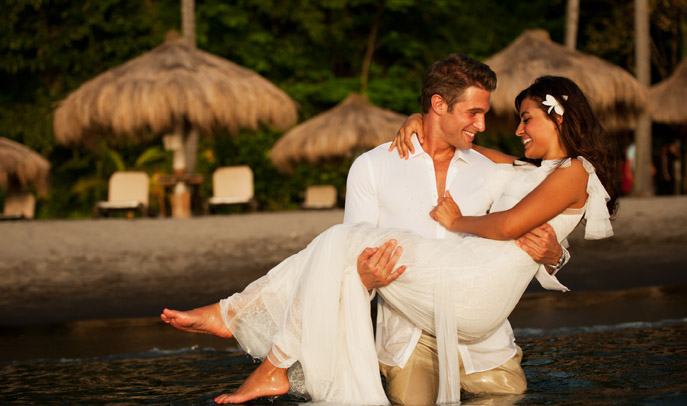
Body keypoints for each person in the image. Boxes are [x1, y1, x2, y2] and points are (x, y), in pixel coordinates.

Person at [161, 75, 617, 404]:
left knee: (340, 239)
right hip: (413, 322)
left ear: (557, 118)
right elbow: (477, 151)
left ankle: (245, 326)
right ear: (441, 105)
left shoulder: (573, 171)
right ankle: (255, 341)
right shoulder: (522, 169)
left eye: (526, 119)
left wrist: (462, 223)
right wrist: (422, 120)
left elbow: (509, 226)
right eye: (474, 113)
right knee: (340, 244)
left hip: (475, 301)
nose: (513, 129)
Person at [346, 54, 569, 405]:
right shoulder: (372, 167)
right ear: (438, 104)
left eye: (484, 113)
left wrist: (555, 256)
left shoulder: (492, 170)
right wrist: (365, 274)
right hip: (409, 337)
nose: (481, 124)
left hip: (482, 339)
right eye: (473, 113)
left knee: (511, 399)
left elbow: (549, 198)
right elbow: (351, 254)